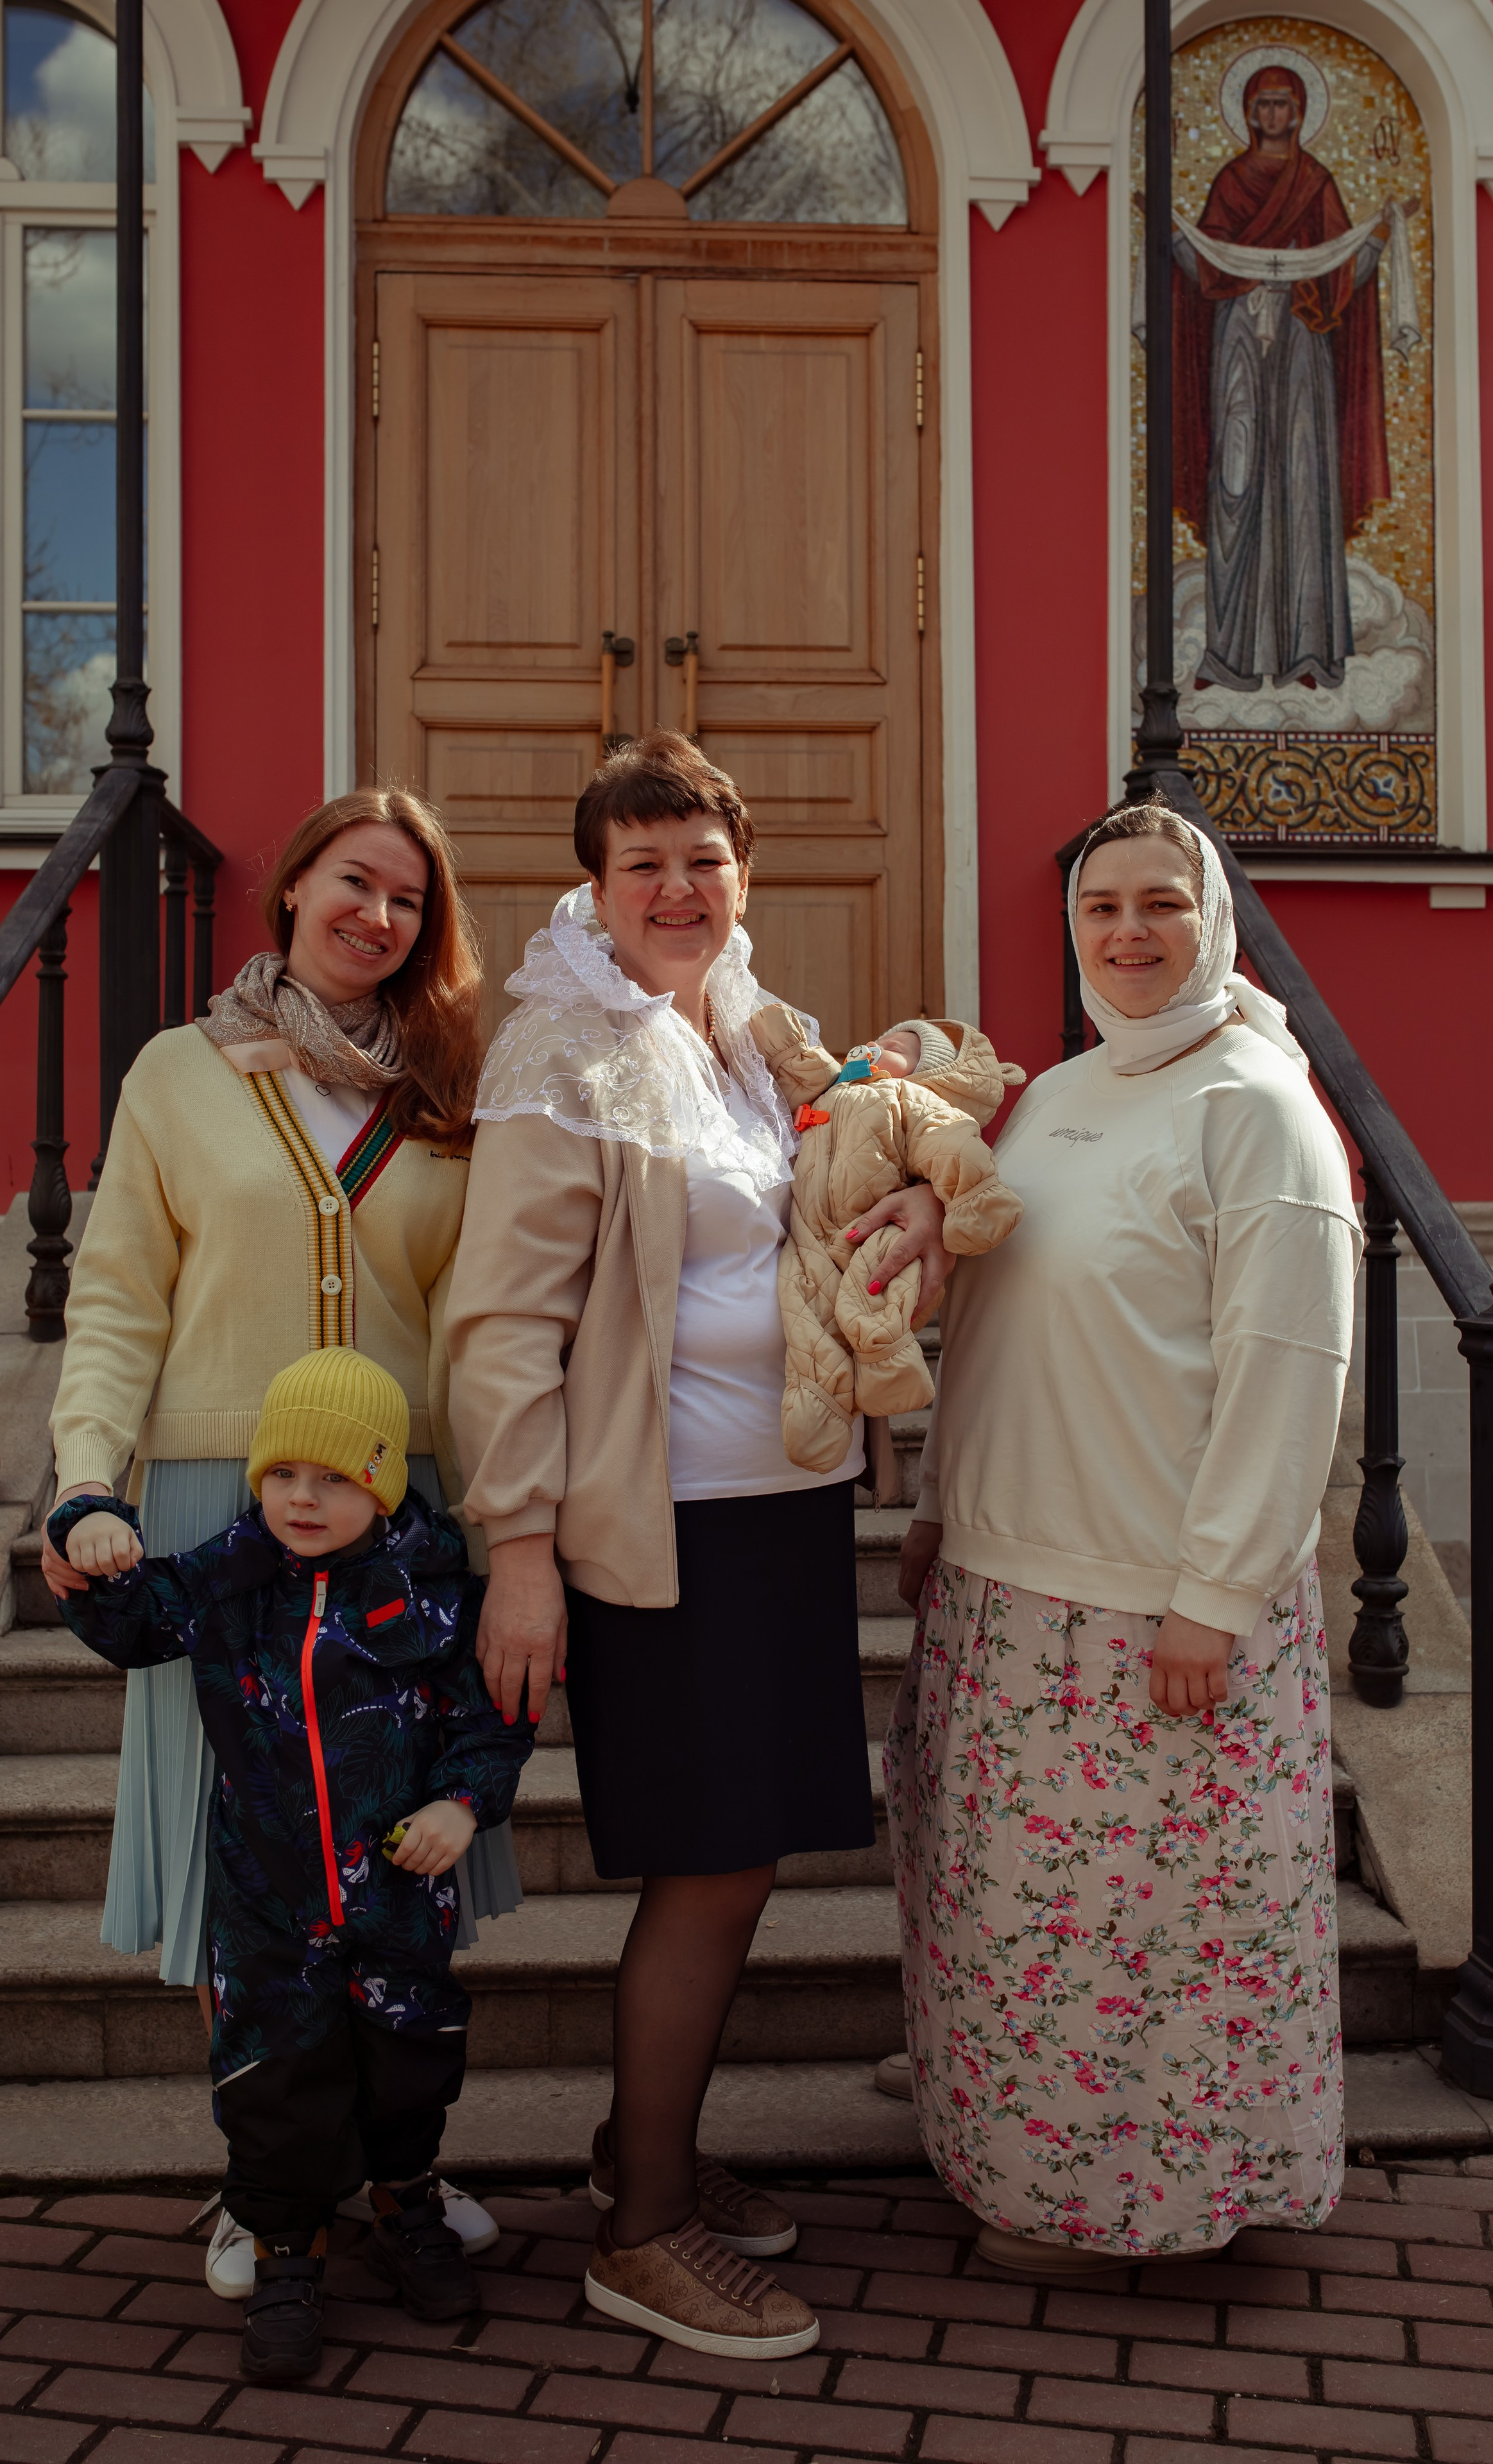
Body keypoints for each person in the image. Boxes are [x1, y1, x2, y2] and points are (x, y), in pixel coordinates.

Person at [449, 729, 952, 2359]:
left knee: (741, 1860)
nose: (676, 888)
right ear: (592, 886)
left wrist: (925, 1203)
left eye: (702, 860)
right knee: (709, 1863)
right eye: (642, 862)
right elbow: (502, 1328)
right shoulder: (565, 1051)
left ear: (740, 877)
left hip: (780, 1503)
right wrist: (517, 1547)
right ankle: (639, 2227)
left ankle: (641, 2143)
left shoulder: (738, 1027)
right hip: (661, 1529)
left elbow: (852, 1160)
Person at [41, 785, 514, 2291]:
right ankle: (267, 2186)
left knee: (387, 1881)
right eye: (353, 881)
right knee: (243, 1874)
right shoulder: (181, 1073)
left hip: (399, 1527)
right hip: (214, 1509)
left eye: (407, 901)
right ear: (295, 883)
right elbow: (117, 1292)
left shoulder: (455, 1081)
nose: (377, 914)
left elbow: (484, 1317)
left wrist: (500, 1527)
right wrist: (84, 1482)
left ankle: (397, 2179)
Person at [887, 799, 1360, 2277]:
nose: (1129, 933)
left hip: (1149, 1613)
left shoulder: (1257, 1107)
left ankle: (1132, 2213)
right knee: (1024, 1939)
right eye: (1101, 908)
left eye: (1161, 902)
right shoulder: (1052, 1096)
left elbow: (1288, 1370)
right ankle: (1014, 2160)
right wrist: (933, 1506)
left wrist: (1211, 1599)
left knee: (1142, 1944)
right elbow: (990, 1323)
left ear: (1209, 919)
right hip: (1004, 1592)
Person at [50, 1349, 533, 2382]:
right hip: (269, 1900)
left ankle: (407, 2202)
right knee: (274, 2084)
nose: (302, 1500)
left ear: (382, 1483)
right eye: (282, 1476)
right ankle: (287, 2252)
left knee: (410, 2058)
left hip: (398, 1891)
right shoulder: (231, 1577)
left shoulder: (433, 1589)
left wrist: (462, 1803)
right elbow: (135, 1621)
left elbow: (491, 1716)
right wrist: (86, 1544)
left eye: (333, 1479)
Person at [1154, 62, 1419, 690]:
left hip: (1303, 347)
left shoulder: (1315, 182)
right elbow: (1205, 269)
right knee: (1237, 485)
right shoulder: (1228, 182)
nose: (1273, 114)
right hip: (1240, 341)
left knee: (1303, 487)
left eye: (1283, 103)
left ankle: (1307, 655)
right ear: (1247, 111)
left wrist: (1378, 237)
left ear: (1300, 111)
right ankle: (1227, 655)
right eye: (1263, 103)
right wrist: (1171, 235)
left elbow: (1341, 277)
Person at [747, 1006, 1023, 1469]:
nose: (877, 1045)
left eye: (895, 1048)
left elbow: (950, 1144)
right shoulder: (835, 1090)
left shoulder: (911, 1100)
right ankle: (819, 1408)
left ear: (933, 1075)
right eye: (877, 1038)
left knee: (874, 1297)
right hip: (809, 1237)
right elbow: (801, 1067)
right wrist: (780, 1039)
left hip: (875, 1231)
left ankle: (889, 1371)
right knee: (805, 1318)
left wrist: (976, 1197)